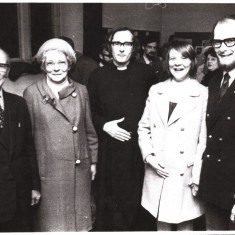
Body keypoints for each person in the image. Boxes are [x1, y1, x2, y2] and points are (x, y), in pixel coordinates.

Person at [23, 38, 98, 231]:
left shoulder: (81, 91)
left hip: (79, 170)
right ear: (43, 66)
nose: (56, 68)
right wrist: (32, 179)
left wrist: (94, 162)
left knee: (78, 226)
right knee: (53, 226)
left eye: (61, 63)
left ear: (69, 64)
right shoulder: (32, 93)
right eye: (50, 63)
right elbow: (28, 142)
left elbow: (89, 130)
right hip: (48, 173)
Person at [88, 27, 156, 231]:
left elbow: (155, 111)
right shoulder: (97, 75)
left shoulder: (147, 73)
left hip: (137, 152)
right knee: (109, 207)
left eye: (126, 44)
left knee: (136, 206)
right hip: (109, 151)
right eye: (117, 43)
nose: (121, 48)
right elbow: (88, 111)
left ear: (134, 47)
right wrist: (105, 126)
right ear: (110, 46)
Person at [138, 40, 207, 231]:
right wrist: (149, 156)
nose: (177, 63)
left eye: (183, 58)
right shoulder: (156, 90)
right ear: (166, 61)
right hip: (158, 169)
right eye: (172, 58)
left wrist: (197, 175)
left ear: (192, 61)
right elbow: (143, 128)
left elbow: (204, 140)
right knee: (161, 222)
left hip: (186, 173)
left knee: (185, 223)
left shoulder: (202, 93)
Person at [198, 14, 235, 231]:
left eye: (231, 40)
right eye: (218, 42)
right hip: (213, 190)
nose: (223, 48)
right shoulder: (214, 80)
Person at [0, 48, 41, 232]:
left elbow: (28, 148)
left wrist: (34, 186)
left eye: (1, 66)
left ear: (7, 70)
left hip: (19, 197)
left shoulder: (18, 103)